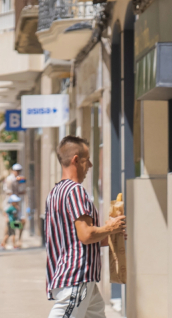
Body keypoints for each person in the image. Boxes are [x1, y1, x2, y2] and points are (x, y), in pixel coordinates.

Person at [44, 136, 125, 318]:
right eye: (87, 159)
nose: (90, 165)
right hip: (76, 276)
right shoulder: (75, 191)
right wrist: (111, 227)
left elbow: (73, 239)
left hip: (76, 277)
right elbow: (86, 235)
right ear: (75, 160)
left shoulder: (55, 192)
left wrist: (110, 235)